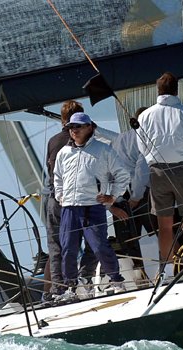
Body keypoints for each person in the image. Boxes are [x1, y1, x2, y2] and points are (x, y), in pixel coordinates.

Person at [137, 72, 183, 275]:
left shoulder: (144, 116)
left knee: (165, 225)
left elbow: (142, 148)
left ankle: (168, 272)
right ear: (176, 90)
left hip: (157, 172)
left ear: (158, 90)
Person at [54, 112, 131, 297]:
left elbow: (123, 175)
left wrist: (112, 197)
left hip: (92, 207)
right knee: (68, 249)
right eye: (71, 127)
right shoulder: (63, 153)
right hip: (69, 207)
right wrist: (60, 196)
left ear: (90, 127)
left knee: (99, 246)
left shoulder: (104, 150)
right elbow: (57, 177)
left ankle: (117, 281)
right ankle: (70, 288)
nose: (74, 130)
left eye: (78, 126)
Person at [79, 107, 156, 285]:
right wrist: (136, 197)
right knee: (150, 233)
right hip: (135, 195)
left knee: (127, 240)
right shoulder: (143, 138)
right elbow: (140, 170)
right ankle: (154, 272)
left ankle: (137, 275)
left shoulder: (120, 138)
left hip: (114, 196)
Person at [43, 100, 84, 299]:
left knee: (55, 246)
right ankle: (78, 283)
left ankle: (55, 290)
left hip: (53, 200)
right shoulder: (79, 140)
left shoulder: (52, 141)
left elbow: (49, 171)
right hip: (75, 200)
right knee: (85, 241)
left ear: (62, 118)